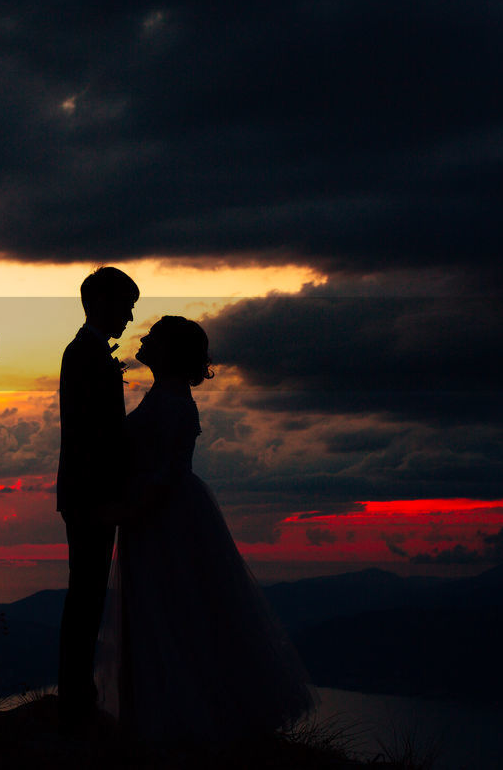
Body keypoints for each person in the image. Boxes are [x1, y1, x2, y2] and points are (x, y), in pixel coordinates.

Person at [95, 316, 316, 743]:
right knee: (162, 610)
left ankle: (178, 721)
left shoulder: (175, 402)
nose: (143, 338)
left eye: (154, 336)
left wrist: (128, 513)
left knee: (172, 609)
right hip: (158, 513)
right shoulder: (164, 393)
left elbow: (167, 473)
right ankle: (159, 716)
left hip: (166, 518)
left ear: (171, 350)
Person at [56, 266, 139, 736]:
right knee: (85, 594)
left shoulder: (88, 352)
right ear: (102, 303)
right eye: (125, 305)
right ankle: (75, 699)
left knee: (86, 593)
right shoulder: (85, 354)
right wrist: (109, 494)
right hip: (91, 495)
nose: (129, 316)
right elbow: (92, 434)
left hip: (90, 492)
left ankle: (77, 693)